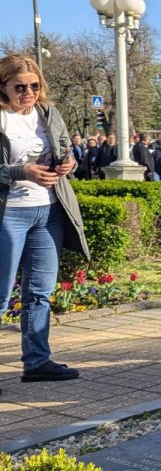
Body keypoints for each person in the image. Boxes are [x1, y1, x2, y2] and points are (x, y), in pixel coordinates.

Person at [0, 54, 89, 382]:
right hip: (8, 215)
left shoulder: (48, 113)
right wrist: (21, 171)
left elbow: (67, 152)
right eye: (19, 87)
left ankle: (37, 362)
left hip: (49, 211)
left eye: (34, 86)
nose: (28, 92)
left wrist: (68, 164)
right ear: (3, 87)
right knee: (0, 294)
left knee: (39, 292)